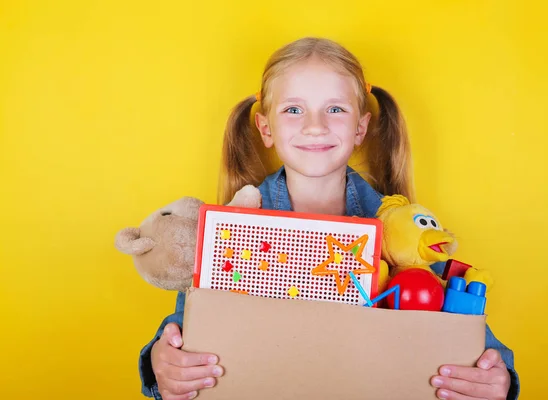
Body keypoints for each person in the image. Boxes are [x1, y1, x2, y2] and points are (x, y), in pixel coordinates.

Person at [139, 37, 520, 400]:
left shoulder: (401, 231)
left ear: (360, 128)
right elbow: (188, 325)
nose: (315, 125)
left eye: (334, 108)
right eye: (293, 109)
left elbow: (463, 330)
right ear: (266, 128)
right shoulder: (232, 227)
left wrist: (495, 374)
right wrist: (163, 361)